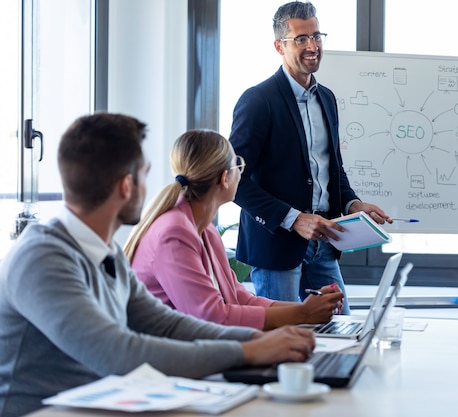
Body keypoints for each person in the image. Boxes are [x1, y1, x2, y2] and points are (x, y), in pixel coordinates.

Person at [0, 113, 315, 417]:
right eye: (145, 174)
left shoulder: (104, 251)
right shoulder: (41, 258)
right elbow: (118, 353)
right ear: (126, 186)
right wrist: (247, 352)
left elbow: (166, 325)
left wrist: (256, 340)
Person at [229, 1, 392, 314]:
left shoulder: (326, 98)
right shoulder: (258, 100)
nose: (312, 46)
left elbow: (333, 170)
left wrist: (353, 205)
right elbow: (234, 180)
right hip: (277, 246)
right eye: (300, 39)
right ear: (279, 46)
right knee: (287, 341)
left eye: (317, 36)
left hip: (324, 244)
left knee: (342, 331)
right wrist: (294, 219)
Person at [124, 129, 344, 330]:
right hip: (165, 362)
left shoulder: (205, 230)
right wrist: (303, 314)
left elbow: (240, 299)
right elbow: (212, 317)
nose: (242, 172)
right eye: (238, 164)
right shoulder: (174, 233)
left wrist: (308, 309)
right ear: (224, 178)